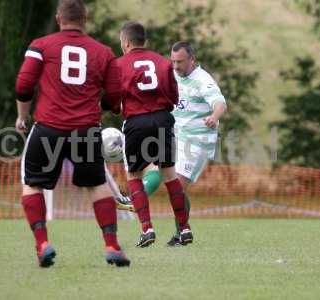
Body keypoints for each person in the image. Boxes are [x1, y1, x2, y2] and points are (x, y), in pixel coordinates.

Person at [15, 0, 130, 267]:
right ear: (85, 19)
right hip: (86, 131)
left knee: (32, 183)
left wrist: (22, 116)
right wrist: (100, 108)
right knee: (97, 184)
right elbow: (115, 96)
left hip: (48, 128)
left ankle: (42, 243)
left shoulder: (41, 46)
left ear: (58, 18)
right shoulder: (104, 53)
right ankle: (112, 245)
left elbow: (24, 84)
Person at [123, 42, 227, 246]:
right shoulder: (169, 74)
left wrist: (214, 117)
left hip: (197, 140)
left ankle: (180, 230)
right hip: (173, 134)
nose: (176, 66)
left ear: (192, 60)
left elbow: (220, 103)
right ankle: (137, 199)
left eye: (180, 62)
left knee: (177, 184)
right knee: (155, 170)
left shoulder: (202, 80)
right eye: (173, 61)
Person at [115, 22, 192, 247]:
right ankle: (185, 228)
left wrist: (116, 107)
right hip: (162, 120)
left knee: (135, 176)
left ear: (126, 42)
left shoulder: (119, 64)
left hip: (136, 122)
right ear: (143, 40)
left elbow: (112, 98)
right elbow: (173, 96)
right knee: (169, 176)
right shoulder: (162, 62)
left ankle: (147, 229)